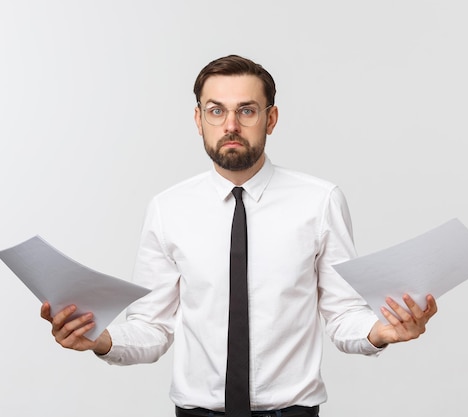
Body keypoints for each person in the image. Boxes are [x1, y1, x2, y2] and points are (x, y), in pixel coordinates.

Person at [41, 54, 437, 417]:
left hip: (292, 412)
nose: (230, 125)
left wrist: (378, 332)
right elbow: (152, 327)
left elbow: (343, 314)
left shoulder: (320, 201)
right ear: (198, 120)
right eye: (216, 111)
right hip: (197, 412)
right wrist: (100, 338)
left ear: (271, 118)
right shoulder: (168, 208)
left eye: (246, 110)